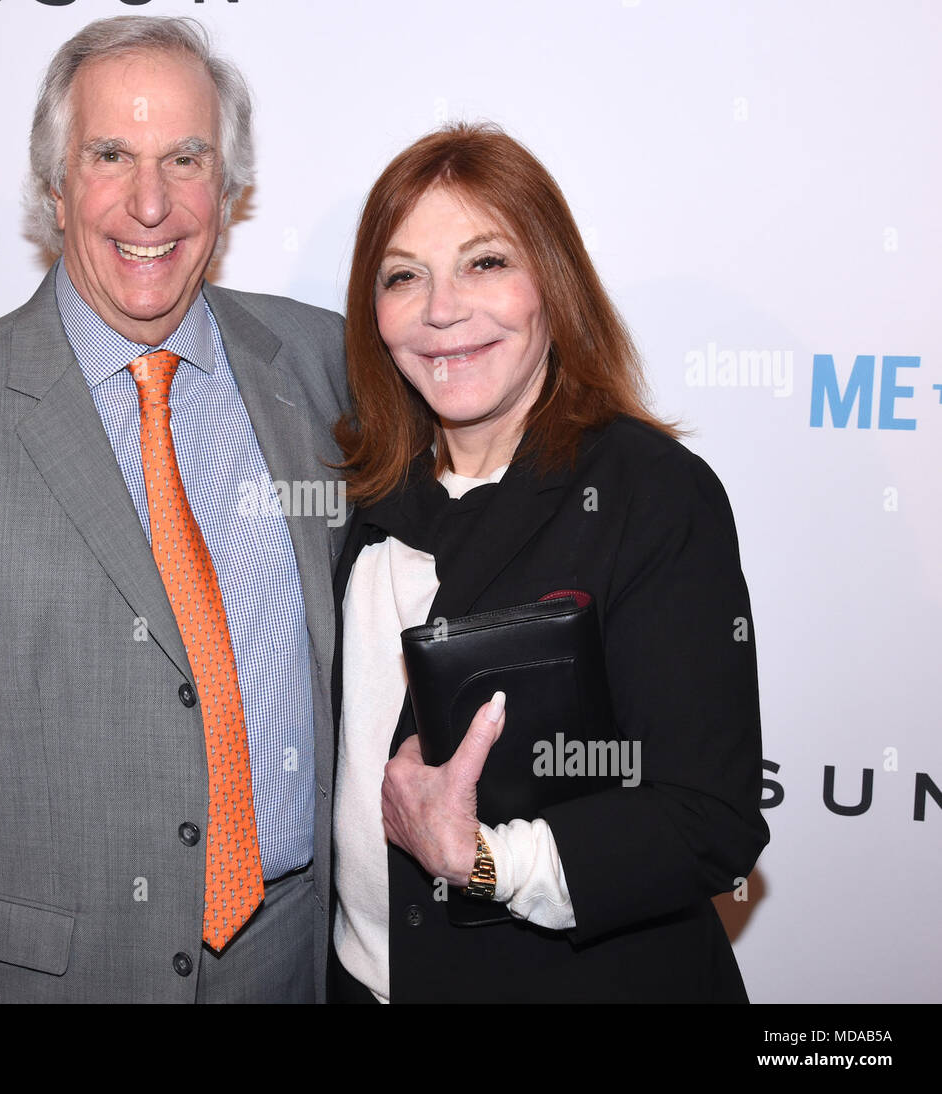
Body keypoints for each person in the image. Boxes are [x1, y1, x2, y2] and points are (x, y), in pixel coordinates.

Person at [0, 16, 349, 1003]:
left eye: (185, 158)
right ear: (55, 187)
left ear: (228, 192)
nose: (150, 203)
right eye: (110, 155)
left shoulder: (322, 369)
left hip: (287, 966)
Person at [328, 122, 770, 1003]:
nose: (442, 307)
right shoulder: (362, 494)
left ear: (552, 284)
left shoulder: (651, 494)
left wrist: (481, 860)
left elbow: (709, 820)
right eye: (404, 275)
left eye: (486, 263)